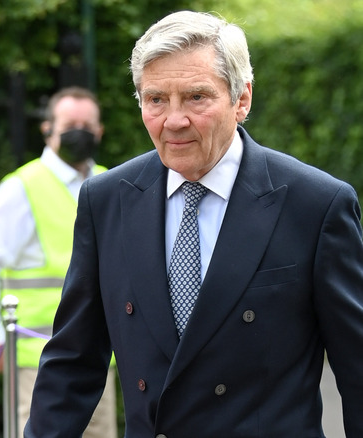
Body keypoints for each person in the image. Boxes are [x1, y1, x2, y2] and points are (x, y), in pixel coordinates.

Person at [25, 10, 363, 437]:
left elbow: (357, 369)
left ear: (242, 99)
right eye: (156, 100)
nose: (174, 120)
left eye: (196, 97)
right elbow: (73, 363)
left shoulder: (316, 204)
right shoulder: (106, 200)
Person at [0, 87, 117, 437]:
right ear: (48, 129)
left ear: (100, 132)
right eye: (70, 123)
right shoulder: (22, 188)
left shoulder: (111, 183)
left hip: (99, 360)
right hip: (38, 364)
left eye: (87, 124)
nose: (80, 131)